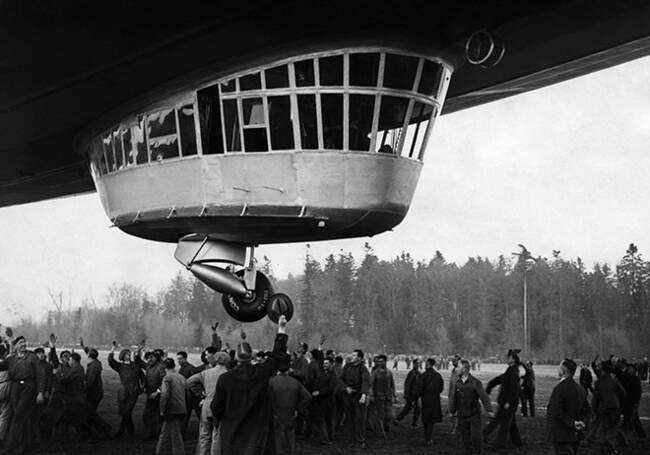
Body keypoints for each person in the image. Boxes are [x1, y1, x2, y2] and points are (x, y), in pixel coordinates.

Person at [210, 315, 290, 454]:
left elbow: (216, 408)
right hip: (257, 436)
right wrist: (281, 328)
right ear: (251, 356)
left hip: (232, 435)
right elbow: (277, 356)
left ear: (235, 357)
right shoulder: (262, 372)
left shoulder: (225, 379)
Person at [0, 335, 46, 455]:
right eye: (20, 343)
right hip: (15, 389)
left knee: (18, 417)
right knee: (21, 417)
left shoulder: (32, 357)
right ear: (15, 346)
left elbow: (41, 375)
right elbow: (1, 366)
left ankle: (9, 448)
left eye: (24, 342)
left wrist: (40, 392)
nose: (23, 344)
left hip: (28, 388)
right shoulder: (11, 359)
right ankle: (26, 446)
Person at [186, 348, 229, 455]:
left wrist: (201, 393)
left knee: (204, 436)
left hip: (206, 405)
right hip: (220, 407)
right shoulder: (228, 375)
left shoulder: (206, 372)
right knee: (216, 435)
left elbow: (189, 382)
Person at [268, 353, 312, 454]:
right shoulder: (295, 382)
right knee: (290, 436)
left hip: (276, 413)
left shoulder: (271, 382)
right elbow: (308, 397)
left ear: (278, 370)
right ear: (288, 370)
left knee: (278, 437)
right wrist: (298, 408)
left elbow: (267, 398)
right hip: (291, 412)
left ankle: (280, 451)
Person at [449, 358, 493, 455]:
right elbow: (454, 398)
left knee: (476, 439)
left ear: (464, 369)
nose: (456, 369)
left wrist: (489, 410)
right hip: (462, 415)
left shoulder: (475, 382)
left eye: (458, 367)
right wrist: (452, 411)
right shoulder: (457, 382)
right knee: (465, 440)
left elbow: (484, 397)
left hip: (474, 416)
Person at [546, 358, 590, 455]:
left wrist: (572, 423)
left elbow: (555, 411)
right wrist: (582, 423)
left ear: (563, 370)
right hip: (575, 435)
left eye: (560, 367)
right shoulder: (580, 389)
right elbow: (587, 411)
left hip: (560, 435)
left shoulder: (560, 388)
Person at [483, 348, 523, 450]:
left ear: (513, 359)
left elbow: (515, 389)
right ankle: (517, 442)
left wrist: (508, 402)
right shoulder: (510, 370)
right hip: (507, 402)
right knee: (510, 423)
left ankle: (498, 443)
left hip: (508, 403)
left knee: (503, 423)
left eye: (508, 357)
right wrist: (490, 385)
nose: (506, 358)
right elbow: (501, 379)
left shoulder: (513, 371)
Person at [108, 342, 143, 438]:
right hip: (123, 391)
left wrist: (142, 387)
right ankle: (131, 431)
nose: (128, 354)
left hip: (134, 391)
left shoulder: (135, 365)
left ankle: (120, 432)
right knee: (125, 412)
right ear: (122, 355)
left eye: (129, 353)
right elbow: (111, 361)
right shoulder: (119, 366)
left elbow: (142, 376)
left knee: (127, 411)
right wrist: (113, 348)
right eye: (127, 353)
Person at [591, 359, 626, 454]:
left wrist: (594, 410)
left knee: (603, 428)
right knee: (613, 429)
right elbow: (623, 392)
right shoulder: (614, 380)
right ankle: (610, 448)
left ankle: (605, 447)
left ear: (602, 370)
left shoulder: (598, 382)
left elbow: (595, 399)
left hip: (605, 408)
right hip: (615, 408)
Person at [156, 358, 187, 455]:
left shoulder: (167, 378)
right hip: (181, 408)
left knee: (175, 436)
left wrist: (162, 410)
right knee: (165, 433)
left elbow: (164, 395)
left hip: (172, 410)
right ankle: (160, 452)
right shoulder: (181, 377)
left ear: (164, 367)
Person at [342, 348, 370, 449]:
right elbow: (340, 379)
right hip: (348, 397)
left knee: (359, 419)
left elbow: (365, 382)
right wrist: (345, 388)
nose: (351, 357)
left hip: (358, 397)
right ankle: (351, 440)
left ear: (359, 358)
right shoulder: (347, 367)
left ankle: (360, 440)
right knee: (349, 419)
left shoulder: (363, 369)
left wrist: (363, 394)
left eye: (354, 355)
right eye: (352, 355)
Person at [136, 349, 167, 440]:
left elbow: (165, 381)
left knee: (157, 415)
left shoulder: (160, 367)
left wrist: (157, 392)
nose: (149, 359)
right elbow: (138, 361)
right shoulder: (148, 367)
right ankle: (152, 433)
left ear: (156, 358)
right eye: (148, 358)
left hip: (159, 395)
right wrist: (139, 350)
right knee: (148, 415)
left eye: (151, 357)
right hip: (150, 395)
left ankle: (157, 434)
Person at [84, 346, 112, 439]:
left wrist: (83, 389)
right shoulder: (96, 363)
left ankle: (104, 430)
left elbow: (89, 381)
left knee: (90, 413)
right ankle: (102, 430)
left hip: (94, 393)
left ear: (89, 356)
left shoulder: (93, 366)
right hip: (96, 392)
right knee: (90, 413)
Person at [310, 356, 337, 445]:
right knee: (321, 419)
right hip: (321, 400)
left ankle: (330, 438)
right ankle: (324, 437)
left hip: (328, 401)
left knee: (328, 420)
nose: (324, 365)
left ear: (331, 364)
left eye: (326, 363)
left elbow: (330, 388)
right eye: (324, 363)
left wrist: (319, 392)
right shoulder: (322, 373)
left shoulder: (333, 375)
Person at [369, 354, 396, 439]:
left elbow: (392, 384)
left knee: (390, 415)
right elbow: (371, 385)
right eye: (379, 361)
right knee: (380, 415)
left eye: (381, 361)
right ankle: (381, 433)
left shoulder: (389, 372)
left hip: (388, 397)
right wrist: (372, 395)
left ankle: (386, 427)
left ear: (385, 362)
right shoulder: (375, 373)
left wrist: (394, 395)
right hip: (379, 397)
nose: (380, 363)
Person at [419, 357, 443, 446]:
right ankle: (429, 438)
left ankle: (427, 438)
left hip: (425, 400)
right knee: (431, 421)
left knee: (426, 419)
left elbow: (419, 388)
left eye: (426, 363)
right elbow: (441, 388)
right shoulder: (438, 375)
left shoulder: (423, 375)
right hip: (435, 400)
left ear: (428, 364)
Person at [394, 358, 421, 428]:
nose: (418, 365)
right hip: (411, 395)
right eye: (417, 363)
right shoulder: (412, 373)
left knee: (408, 408)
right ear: (414, 364)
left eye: (419, 363)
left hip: (416, 394)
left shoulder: (418, 373)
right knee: (415, 408)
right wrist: (406, 394)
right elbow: (407, 384)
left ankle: (398, 419)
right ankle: (414, 424)